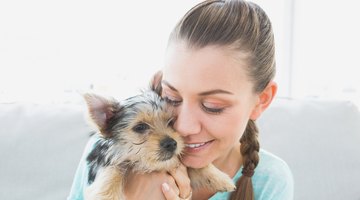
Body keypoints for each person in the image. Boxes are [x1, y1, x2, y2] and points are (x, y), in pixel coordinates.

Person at [68, 0, 294, 199]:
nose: (183, 127)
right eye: (172, 98)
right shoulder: (102, 154)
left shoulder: (269, 180)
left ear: (261, 101)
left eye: (212, 106)